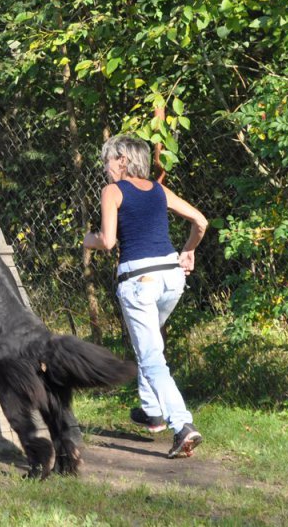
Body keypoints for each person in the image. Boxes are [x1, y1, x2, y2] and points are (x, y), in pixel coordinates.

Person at [83, 134, 208, 458]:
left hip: (140, 280)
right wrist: (189, 250)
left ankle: (182, 424)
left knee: (151, 355)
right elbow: (200, 221)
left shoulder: (112, 191)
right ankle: (152, 411)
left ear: (123, 160)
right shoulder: (158, 189)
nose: (105, 168)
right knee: (149, 344)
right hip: (171, 277)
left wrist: (88, 240)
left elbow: (108, 241)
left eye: (108, 161)